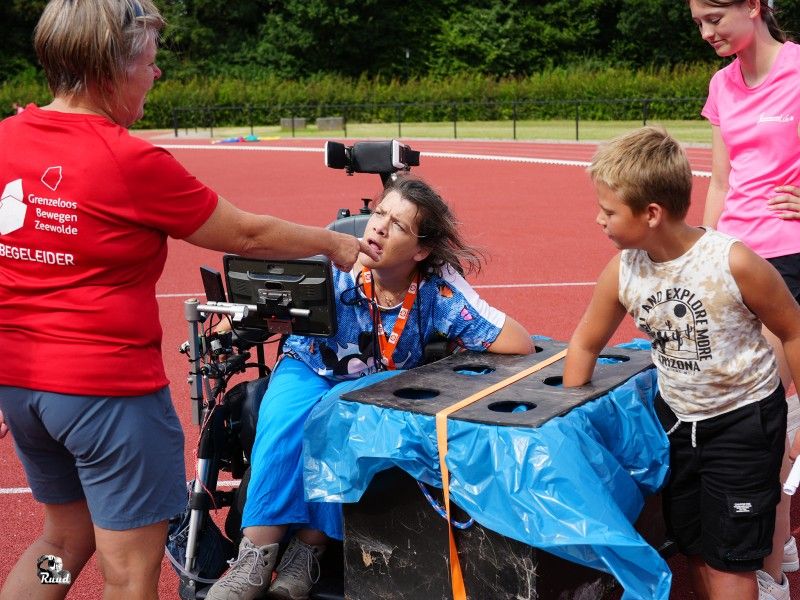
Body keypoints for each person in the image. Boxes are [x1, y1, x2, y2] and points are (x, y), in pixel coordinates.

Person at [0, 2, 379, 599]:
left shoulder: (6, 140)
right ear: (111, 69)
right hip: (107, 400)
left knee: (61, 542)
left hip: (25, 390)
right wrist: (333, 243)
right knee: (129, 573)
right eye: (149, 63)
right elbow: (245, 234)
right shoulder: (128, 160)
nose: (155, 75)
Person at [206, 174, 534, 600]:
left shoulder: (438, 289)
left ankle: (307, 552)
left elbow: (517, 341)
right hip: (309, 362)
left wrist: (459, 337)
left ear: (421, 250)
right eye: (380, 213)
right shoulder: (335, 263)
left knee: (335, 417)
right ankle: (254, 557)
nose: (378, 225)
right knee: (284, 415)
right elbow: (264, 302)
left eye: (397, 224)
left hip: (375, 381)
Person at [562, 126, 800, 600]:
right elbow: (586, 343)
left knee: (731, 561)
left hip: (743, 422)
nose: (598, 220)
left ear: (652, 213)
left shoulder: (734, 263)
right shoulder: (624, 269)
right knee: (693, 543)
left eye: (609, 211)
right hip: (676, 424)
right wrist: (571, 419)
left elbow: (793, 329)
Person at [688, 1, 800, 595]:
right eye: (698, 23)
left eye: (714, 18)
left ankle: (771, 573)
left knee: (761, 422)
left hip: (786, 261)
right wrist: (702, 255)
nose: (706, 33)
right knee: (746, 416)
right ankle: (777, 542)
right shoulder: (720, 84)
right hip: (731, 259)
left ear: (752, 7)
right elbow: (722, 180)